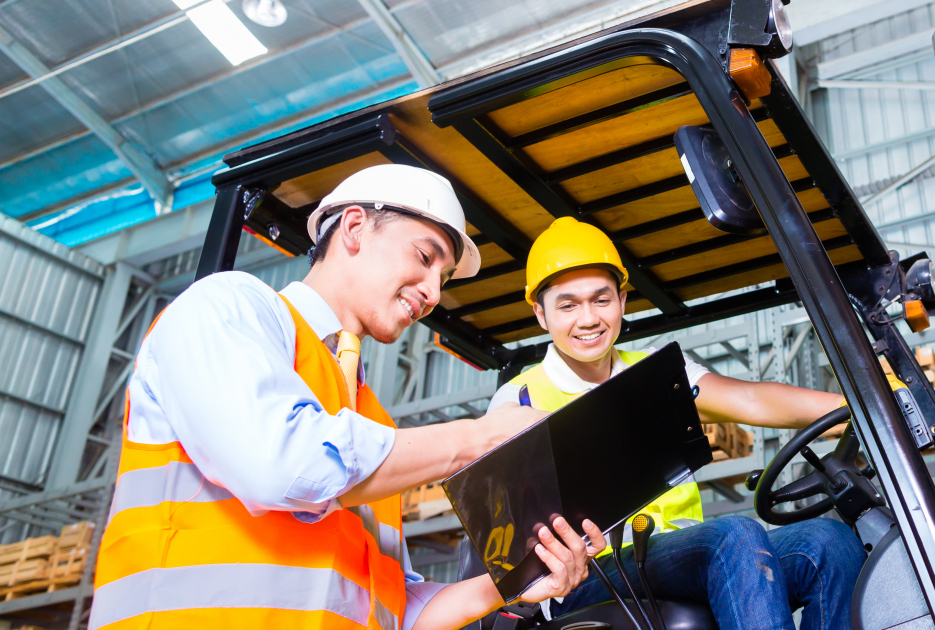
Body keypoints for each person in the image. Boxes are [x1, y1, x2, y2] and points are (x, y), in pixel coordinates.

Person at [92, 165, 604, 630]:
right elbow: (279, 464)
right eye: (425, 258)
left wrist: (514, 583)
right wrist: (477, 438)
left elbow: (393, 608)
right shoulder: (228, 308)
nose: (431, 292)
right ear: (355, 228)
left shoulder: (372, 423)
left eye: (442, 279)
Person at [473, 217, 867, 630]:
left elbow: (750, 397)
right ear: (540, 313)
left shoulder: (657, 372)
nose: (588, 319)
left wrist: (859, 403)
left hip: (687, 556)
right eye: (568, 305)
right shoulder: (519, 399)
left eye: (601, 300)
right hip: (589, 575)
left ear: (623, 301)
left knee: (830, 544)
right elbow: (505, 534)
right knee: (734, 537)